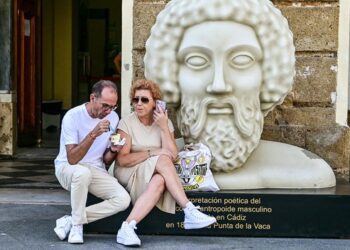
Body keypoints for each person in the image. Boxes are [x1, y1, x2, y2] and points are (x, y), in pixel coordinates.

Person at [144, 0, 336, 189]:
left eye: (242, 60)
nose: (219, 85)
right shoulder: (148, 160)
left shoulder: (304, 169)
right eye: (196, 61)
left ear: (268, 76)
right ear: (171, 77)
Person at [113, 79, 216, 246]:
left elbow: (173, 155)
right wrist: (153, 152)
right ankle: (188, 209)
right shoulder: (127, 123)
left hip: (155, 170)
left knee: (160, 179)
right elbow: (123, 160)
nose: (139, 104)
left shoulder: (164, 122)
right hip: (129, 171)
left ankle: (127, 227)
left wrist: (163, 126)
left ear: (155, 102)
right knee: (162, 158)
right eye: (135, 99)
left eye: (144, 100)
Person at [53, 80, 130, 244]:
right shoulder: (72, 116)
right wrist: (93, 134)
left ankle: (72, 220)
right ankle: (77, 228)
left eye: (112, 106)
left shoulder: (113, 118)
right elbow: (72, 158)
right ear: (92, 98)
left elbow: (105, 160)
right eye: (105, 105)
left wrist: (113, 151)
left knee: (123, 199)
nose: (108, 111)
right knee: (82, 172)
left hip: (95, 169)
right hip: (68, 168)